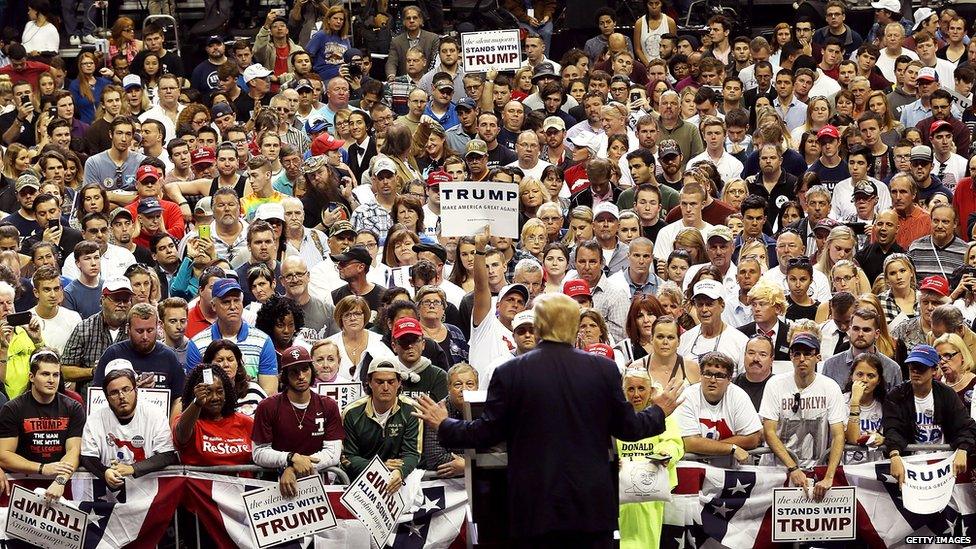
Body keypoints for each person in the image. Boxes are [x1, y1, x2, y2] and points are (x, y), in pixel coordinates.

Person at [412, 292, 684, 547]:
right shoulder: (603, 369)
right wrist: (658, 410)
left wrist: (445, 424)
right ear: (575, 326)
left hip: (534, 508)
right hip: (590, 508)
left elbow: (486, 433)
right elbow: (629, 428)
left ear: (539, 326)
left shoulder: (510, 373)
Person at [760, 333, 847, 500]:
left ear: (818, 357)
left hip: (816, 470)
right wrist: (793, 468)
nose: (802, 358)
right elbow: (769, 432)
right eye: (796, 353)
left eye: (807, 353)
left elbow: (838, 435)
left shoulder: (830, 387)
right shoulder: (775, 384)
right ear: (790, 356)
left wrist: (829, 477)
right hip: (778, 470)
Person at [253, 345, 344, 497]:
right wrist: (290, 458)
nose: (301, 376)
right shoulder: (267, 406)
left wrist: (294, 467)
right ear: (285, 376)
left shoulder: (328, 405)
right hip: (275, 486)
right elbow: (259, 452)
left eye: (305, 369)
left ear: (312, 370)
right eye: (294, 371)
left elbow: (333, 453)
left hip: (318, 485)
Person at [884, 344, 976, 487]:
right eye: (911, 366)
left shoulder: (946, 394)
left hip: (942, 464)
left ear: (934, 370)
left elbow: (965, 426)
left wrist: (963, 449)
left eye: (921, 367)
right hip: (910, 464)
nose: (915, 371)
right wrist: (894, 455)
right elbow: (892, 429)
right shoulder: (897, 395)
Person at [0, 349, 83, 504]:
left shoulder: (74, 408)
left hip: (59, 485)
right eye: (45, 374)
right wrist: (42, 468)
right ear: (32, 377)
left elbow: (74, 450)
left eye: (55, 375)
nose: (51, 380)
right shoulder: (13, 408)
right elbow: (4, 455)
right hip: (22, 485)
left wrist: (60, 481)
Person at [80, 362, 178, 490]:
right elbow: (87, 456)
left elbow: (167, 455)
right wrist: (104, 472)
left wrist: (132, 468)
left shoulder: (155, 414)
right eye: (114, 392)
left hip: (147, 492)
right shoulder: (95, 419)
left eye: (126, 389)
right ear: (106, 396)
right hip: (109, 493)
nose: (121, 396)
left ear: (136, 390)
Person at [616, 366, 683, 549]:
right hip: (619, 492)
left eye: (641, 388)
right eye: (630, 389)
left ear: (650, 390)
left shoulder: (663, 417)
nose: (636, 394)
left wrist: (664, 452)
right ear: (623, 391)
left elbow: (674, 443)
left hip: (652, 491)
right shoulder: (615, 418)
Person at [341, 357, 423, 495]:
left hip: (399, 481)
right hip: (360, 483)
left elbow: (413, 453)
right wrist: (379, 467)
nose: (385, 387)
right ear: (369, 382)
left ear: (399, 383)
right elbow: (348, 456)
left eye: (391, 382)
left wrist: (400, 472)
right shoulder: (351, 413)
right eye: (379, 382)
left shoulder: (412, 410)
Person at [185, 278, 278, 396]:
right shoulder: (197, 344)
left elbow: (269, 393)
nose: (233, 306)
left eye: (236, 300)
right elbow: (194, 393)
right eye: (226, 302)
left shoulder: (263, 341)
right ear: (213, 306)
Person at [677, 351, 762, 464]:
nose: (712, 380)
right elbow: (690, 443)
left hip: (730, 470)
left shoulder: (738, 395)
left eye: (719, 376)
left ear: (729, 379)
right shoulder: (687, 396)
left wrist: (706, 446)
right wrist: (731, 448)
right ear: (700, 375)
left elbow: (753, 439)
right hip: (695, 469)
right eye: (707, 374)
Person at [93, 303, 185, 407]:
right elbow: (97, 397)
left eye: (150, 330)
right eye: (139, 331)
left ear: (158, 326)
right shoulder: (113, 354)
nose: (145, 336)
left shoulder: (169, 357)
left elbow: (179, 399)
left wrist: (171, 423)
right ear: (128, 329)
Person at [173, 364, 254, 466]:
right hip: (200, 481)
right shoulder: (188, 422)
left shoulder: (246, 422)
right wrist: (197, 403)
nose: (215, 397)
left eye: (220, 392)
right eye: (208, 392)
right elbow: (182, 434)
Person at [60, 278, 132, 387]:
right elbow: (64, 370)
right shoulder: (84, 329)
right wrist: (93, 371)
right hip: (92, 399)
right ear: (102, 300)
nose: (122, 304)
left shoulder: (137, 329)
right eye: (117, 299)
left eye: (126, 300)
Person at [822, 307, 904, 390]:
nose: (860, 334)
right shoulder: (830, 366)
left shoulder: (892, 369)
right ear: (850, 330)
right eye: (856, 329)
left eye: (866, 330)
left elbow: (897, 402)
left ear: (877, 334)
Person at [678, 280, 750, 372]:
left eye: (709, 304)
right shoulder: (685, 339)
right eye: (700, 304)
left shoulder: (740, 341)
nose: (704, 309)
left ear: (722, 305)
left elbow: (743, 380)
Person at [733, 335, 776, 411]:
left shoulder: (779, 386)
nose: (756, 359)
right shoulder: (731, 386)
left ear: (771, 360)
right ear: (744, 355)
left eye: (762, 355)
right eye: (751, 353)